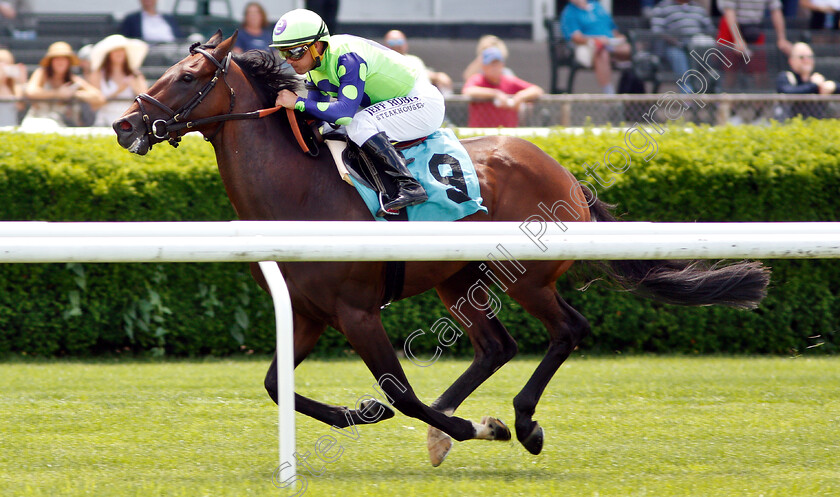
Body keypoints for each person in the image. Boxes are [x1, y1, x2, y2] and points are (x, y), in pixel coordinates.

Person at [271, 8, 443, 212]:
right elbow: (318, 116)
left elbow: (344, 114)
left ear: (316, 46)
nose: (289, 60)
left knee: (358, 123)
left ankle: (409, 185)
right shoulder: (314, 69)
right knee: (331, 129)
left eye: (294, 52)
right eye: (284, 53)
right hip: (400, 104)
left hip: (422, 103)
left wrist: (298, 102)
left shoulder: (347, 57)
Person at [21, 42, 105, 129]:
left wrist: (75, 93)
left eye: (64, 59)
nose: (60, 62)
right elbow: (31, 91)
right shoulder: (42, 73)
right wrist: (57, 93)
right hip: (37, 121)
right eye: (57, 59)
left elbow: (98, 97)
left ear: (69, 62)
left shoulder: (72, 79)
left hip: (61, 125)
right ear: (51, 61)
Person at [559, 0, 632, 94]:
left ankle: (637, 93)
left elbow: (612, 29)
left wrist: (619, 38)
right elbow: (576, 37)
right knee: (602, 50)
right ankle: (609, 95)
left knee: (633, 50)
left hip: (611, 44)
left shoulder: (597, 6)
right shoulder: (569, 12)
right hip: (587, 47)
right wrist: (597, 40)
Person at [462, 46, 543, 128]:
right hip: (482, 134)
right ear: (483, 66)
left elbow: (536, 90)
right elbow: (467, 91)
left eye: (497, 63)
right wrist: (495, 94)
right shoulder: (477, 79)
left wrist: (520, 96)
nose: (495, 67)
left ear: (502, 65)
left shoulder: (509, 81)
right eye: (491, 64)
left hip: (507, 134)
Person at [717, 0, 792, 88]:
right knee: (730, 72)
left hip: (754, 29)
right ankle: (726, 100)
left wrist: (781, 38)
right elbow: (729, 12)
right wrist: (738, 39)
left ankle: (758, 101)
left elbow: (776, 10)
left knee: (759, 73)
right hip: (731, 28)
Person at [88, 34, 149, 127]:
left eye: (122, 50)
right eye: (115, 50)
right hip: (105, 120)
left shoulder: (135, 75)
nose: (119, 53)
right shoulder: (98, 74)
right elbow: (95, 104)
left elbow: (146, 100)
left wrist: (134, 86)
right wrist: (119, 90)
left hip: (129, 119)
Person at [649, 0, 715, 82]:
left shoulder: (699, 8)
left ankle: (711, 86)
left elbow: (710, 29)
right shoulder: (662, 7)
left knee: (709, 51)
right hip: (672, 46)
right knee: (677, 54)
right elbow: (657, 31)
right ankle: (687, 89)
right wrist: (676, 42)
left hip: (697, 46)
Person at [776, 42, 838, 118]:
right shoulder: (786, 77)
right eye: (801, 57)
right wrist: (813, 85)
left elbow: (832, 87)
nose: (806, 60)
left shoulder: (817, 78)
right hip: (791, 126)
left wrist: (833, 86)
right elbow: (788, 92)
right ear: (791, 61)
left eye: (810, 57)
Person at [383, 29, 453, 97]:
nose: (396, 45)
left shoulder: (414, 60)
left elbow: (423, 75)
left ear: (405, 44)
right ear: (385, 45)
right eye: (392, 42)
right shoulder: (383, 62)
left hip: (424, 98)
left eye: (399, 42)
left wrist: (438, 76)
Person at [0, 48, 27, 126]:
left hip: (10, 128)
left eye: (8, 63)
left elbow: (20, 107)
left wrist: (21, 82)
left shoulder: (14, 87)